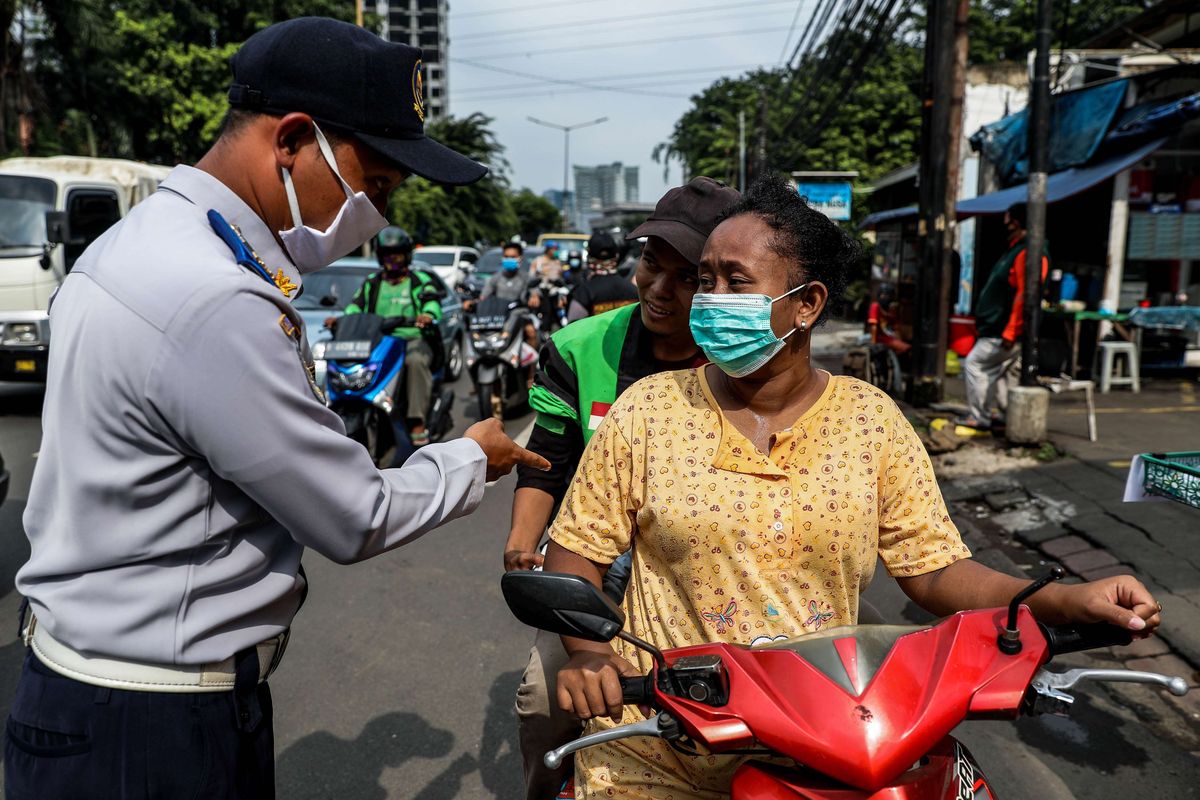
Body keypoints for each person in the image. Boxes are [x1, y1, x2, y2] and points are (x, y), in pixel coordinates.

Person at [5, 18, 548, 800]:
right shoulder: (215, 296)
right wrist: (473, 458)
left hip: (85, 690)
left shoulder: (141, 242)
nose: (381, 216)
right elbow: (350, 513)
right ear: (292, 138)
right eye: (379, 184)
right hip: (152, 724)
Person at [543, 175, 1162, 799]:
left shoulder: (869, 420)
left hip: (830, 749)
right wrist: (590, 653)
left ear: (806, 304)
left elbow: (934, 571)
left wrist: (1064, 599)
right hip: (661, 746)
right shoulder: (648, 409)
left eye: (736, 282)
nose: (710, 299)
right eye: (706, 281)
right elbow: (577, 552)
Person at [509, 177, 741, 800]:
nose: (659, 289)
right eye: (649, 264)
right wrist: (523, 545)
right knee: (542, 700)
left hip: (720, 569)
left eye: (686, 276)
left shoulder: (750, 362)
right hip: (602, 573)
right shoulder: (578, 349)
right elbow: (545, 461)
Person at [331, 225, 441, 445]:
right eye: (388, 255)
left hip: (411, 340)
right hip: (377, 341)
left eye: (397, 254)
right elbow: (355, 307)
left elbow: (431, 302)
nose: (393, 259)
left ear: (406, 256)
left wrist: (427, 314)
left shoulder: (419, 280)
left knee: (415, 361)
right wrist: (341, 319)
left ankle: (416, 421)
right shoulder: (372, 282)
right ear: (381, 257)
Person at [958, 202, 1048, 430]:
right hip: (997, 328)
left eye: (1008, 220)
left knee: (975, 364)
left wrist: (1010, 330)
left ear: (1016, 222)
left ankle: (980, 417)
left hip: (1003, 330)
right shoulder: (1017, 249)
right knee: (999, 373)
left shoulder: (1029, 252)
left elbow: (1024, 295)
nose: (1005, 225)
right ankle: (1006, 417)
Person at [566, 232, 639, 322]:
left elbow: (572, 330)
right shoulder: (634, 291)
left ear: (589, 257)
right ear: (616, 256)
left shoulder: (583, 293)